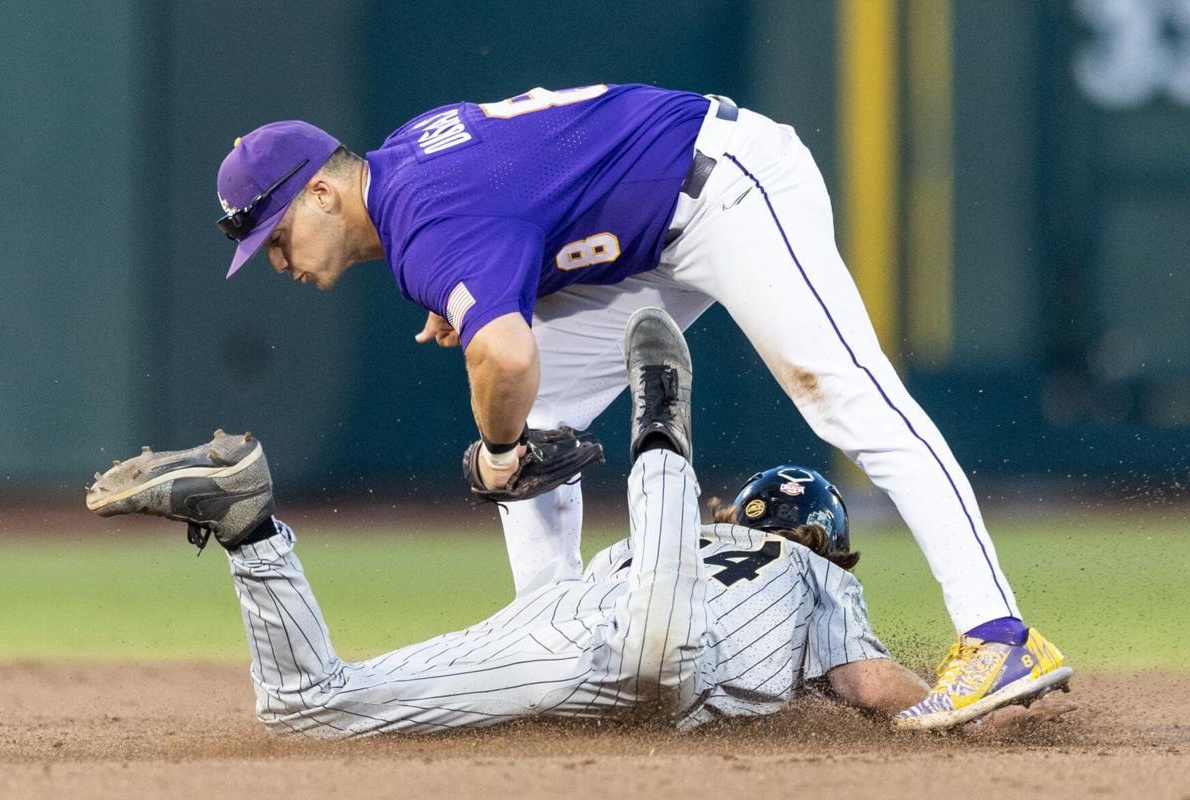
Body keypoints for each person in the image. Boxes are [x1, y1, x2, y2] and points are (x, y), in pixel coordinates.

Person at [212, 84, 1067, 727]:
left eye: (276, 235)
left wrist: (500, 448)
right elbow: (517, 192)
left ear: (322, 194)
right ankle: (556, 641)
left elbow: (502, 350)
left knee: (844, 396)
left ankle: (998, 635)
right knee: (545, 420)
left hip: (729, 186)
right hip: (652, 236)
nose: (277, 261)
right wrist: (480, 297)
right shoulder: (401, 172)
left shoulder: (424, 222)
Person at [87, 309, 1070, 734]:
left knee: (311, 707)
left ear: (742, 513)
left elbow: (585, 598)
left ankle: (254, 527)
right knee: (661, 639)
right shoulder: (814, 573)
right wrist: (941, 715)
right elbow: (864, 681)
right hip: (659, 639)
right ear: (821, 534)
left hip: (571, 622)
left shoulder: (665, 542)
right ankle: (660, 404)